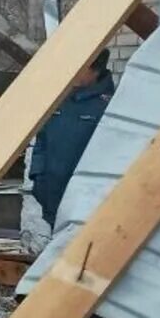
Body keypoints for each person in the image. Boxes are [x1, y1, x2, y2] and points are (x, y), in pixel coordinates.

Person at [30, 49, 115, 228]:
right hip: (52, 197)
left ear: (96, 71)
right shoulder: (59, 99)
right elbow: (41, 141)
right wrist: (38, 179)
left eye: (81, 68)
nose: (73, 72)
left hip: (87, 206)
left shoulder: (110, 106)